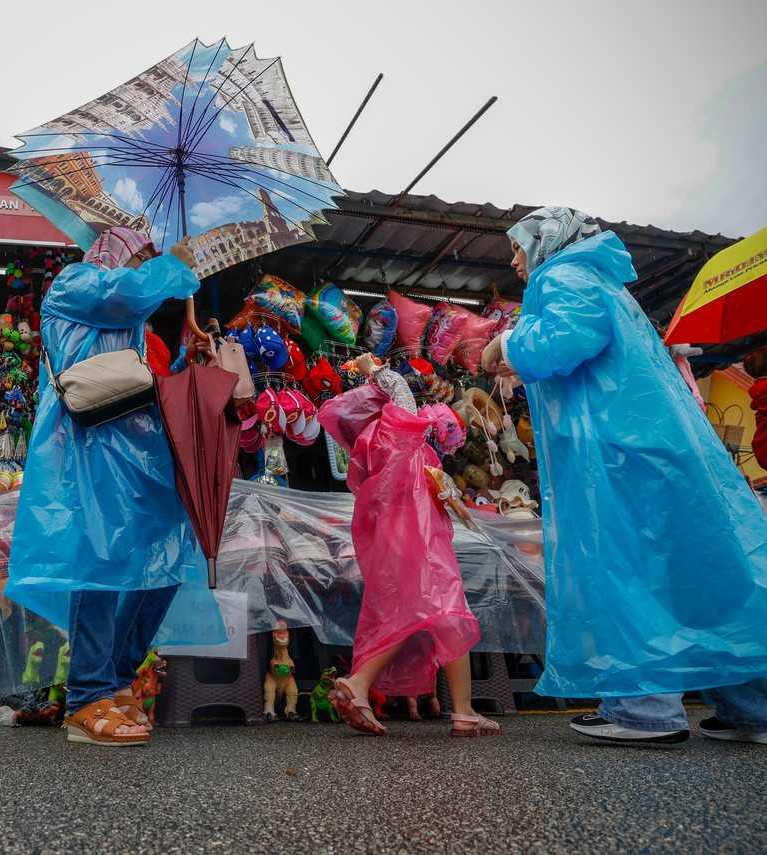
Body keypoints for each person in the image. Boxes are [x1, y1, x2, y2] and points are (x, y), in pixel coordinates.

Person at [482, 207, 767, 745]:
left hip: (619, 457)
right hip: (652, 449)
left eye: (518, 247)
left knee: (629, 568)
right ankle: (752, 708)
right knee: (703, 572)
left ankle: (645, 711)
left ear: (548, 241)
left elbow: (564, 341)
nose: (516, 261)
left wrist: (508, 342)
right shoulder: (602, 283)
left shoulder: (566, 276)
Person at [6, 226, 220, 747]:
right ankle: (87, 695)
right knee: (99, 564)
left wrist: (190, 358)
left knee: (164, 559)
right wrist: (174, 265)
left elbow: (136, 377)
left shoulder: (134, 325)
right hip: (88, 448)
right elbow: (121, 296)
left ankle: (119, 676)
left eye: (147, 256)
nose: (143, 263)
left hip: (139, 453)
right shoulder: (75, 283)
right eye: (138, 253)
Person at [319, 354, 500, 737]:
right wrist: (374, 370)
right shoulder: (397, 436)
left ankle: (463, 711)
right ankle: (358, 684)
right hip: (421, 544)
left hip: (403, 543)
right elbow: (401, 391)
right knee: (434, 611)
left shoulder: (375, 450)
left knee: (446, 617)